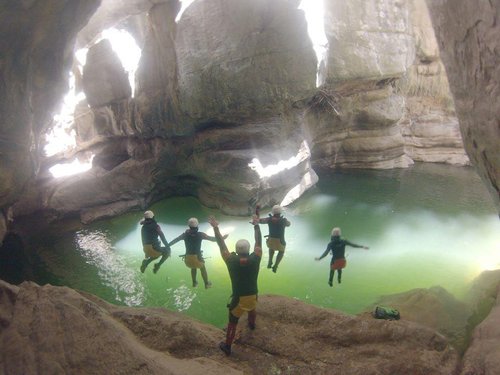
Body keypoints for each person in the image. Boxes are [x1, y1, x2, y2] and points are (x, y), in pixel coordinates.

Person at [208, 214, 262, 356]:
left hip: (239, 298)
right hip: (253, 294)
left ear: (237, 251)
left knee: (233, 321)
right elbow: (259, 243)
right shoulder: (256, 258)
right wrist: (256, 225)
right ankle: (251, 324)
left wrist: (215, 228)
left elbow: (221, 244)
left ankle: (227, 346)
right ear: (249, 249)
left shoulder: (230, 260)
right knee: (252, 307)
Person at [169, 217, 227, 289]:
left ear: (189, 226)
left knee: (193, 268)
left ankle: (194, 283)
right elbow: (213, 239)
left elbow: (175, 240)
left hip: (188, 260)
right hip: (197, 259)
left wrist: (167, 246)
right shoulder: (201, 235)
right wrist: (222, 238)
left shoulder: (185, 234)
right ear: (197, 226)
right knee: (202, 268)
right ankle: (206, 283)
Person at [259, 204, 290, 273]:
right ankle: (275, 265)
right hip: (280, 241)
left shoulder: (269, 219)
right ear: (280, 212)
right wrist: (284, 221)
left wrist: (256, 218)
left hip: (271, 241)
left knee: (271, 248)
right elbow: (289, 224)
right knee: (281, 251)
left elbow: (260, 221)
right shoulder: (283, 220)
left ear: (273, 212)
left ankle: (270, 261)